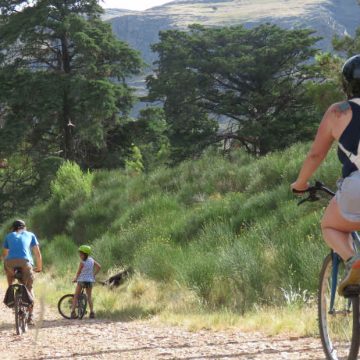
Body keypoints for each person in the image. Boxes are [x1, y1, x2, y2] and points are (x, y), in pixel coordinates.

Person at [292, 54, 360, 296]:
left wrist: (300, 183)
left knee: (330, 225)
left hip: (357, 188)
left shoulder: (338, 112)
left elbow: (315, 156)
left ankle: (354, 260)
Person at [2, 219, 42, 324]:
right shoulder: (30, 234)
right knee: (29, 287)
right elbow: (37, 253)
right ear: (24, 227)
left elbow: (5, 254)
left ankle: (10, 287)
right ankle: (30, 316)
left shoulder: (9, 236)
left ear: (13, 228)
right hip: (25, 263)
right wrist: (39, 267)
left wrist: (6, 267)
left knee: (9, 273)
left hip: (10, 263)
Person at [71, 245, 101, 319]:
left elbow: (78, 273)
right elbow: (99, 267)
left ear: (84, 254)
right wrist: (93, 275)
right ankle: (92, 313)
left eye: (81, 254)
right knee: (89, 297)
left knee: (76, 296)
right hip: (90, 281)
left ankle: (73, 313)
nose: (80, 255)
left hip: (81, 280)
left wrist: (75, 279)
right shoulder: (91, 260)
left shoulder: (82, 263)